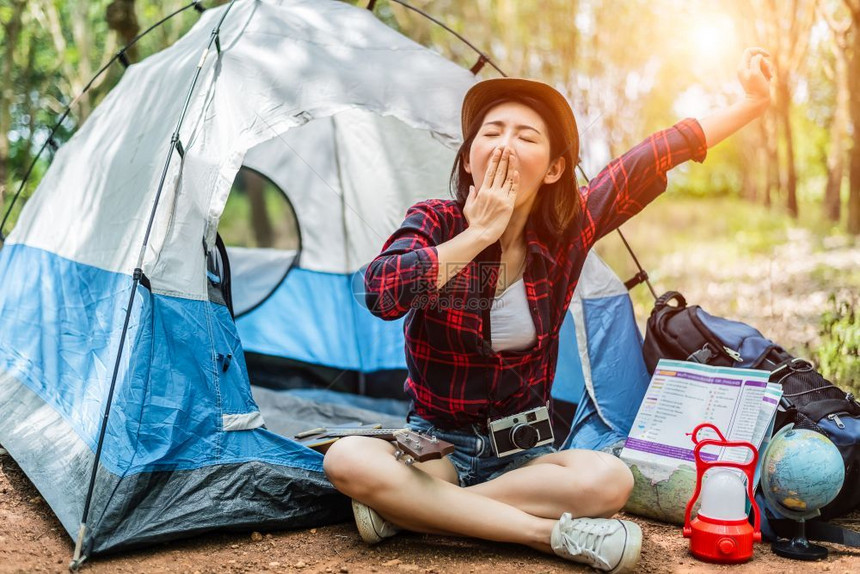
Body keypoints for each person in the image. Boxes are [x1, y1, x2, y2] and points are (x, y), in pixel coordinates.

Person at [323, 48, 773, 573]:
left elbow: (653, 156)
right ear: (468, 159)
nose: (505, 145)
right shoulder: (435, 220)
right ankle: (543, 534)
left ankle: (414, 513)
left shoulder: (565, 234)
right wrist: (478, 235)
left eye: (526, 136)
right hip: (436, 451)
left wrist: (751, 103)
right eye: (491, 133)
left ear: (556, 168)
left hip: (524, 457)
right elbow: (380, 291)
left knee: (611, 479)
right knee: (346, 458)